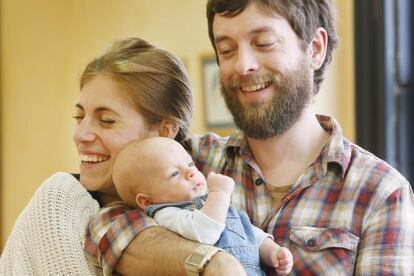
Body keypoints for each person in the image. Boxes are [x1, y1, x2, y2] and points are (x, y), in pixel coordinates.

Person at [85, 0, 414, 275]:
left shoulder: (381, 194)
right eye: (226, 50)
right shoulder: (187, 159)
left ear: (314, 48)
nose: (242, 65)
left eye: (264, 43)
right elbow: (104, 225)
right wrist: (211, 263)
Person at [0, 37, 215, 275]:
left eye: (107, 121)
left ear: (163, 132)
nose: (80, 135)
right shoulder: (60, 199)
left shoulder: (193, 204)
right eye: (79, 117)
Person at [108, 136, 293, 275]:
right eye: (174, 173)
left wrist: (273, 252)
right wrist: (219, 194)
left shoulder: (211, 204)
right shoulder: (167, 214)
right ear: (147, 201)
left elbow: (250, 235)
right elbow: (205, 233)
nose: (191, 172)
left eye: (190, 163)